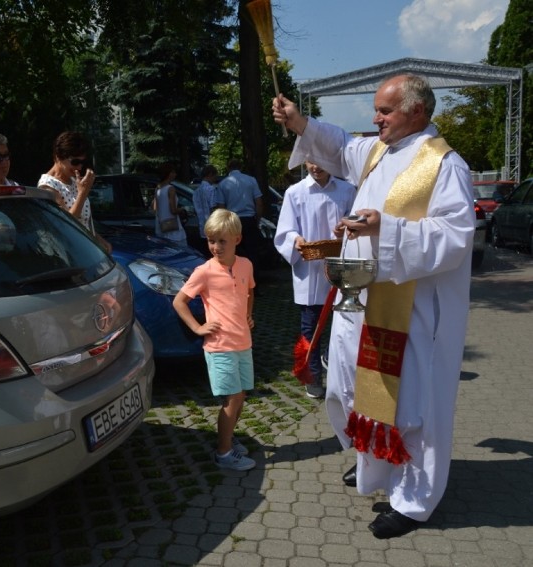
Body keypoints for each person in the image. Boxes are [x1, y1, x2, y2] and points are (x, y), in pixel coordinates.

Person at [272, 74, 475, 539]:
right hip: (363, 301)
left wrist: (388, 227)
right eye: (376, 109)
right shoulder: (380, 150)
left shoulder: (444, 166)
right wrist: (301, 122)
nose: (375, 118)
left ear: (417, 112)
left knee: (412, 405)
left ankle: (414, 500)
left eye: (385, 110)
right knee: (353, 388)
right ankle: (376, 470)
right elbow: (340, 148)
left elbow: (456, 238)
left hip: (414, 312)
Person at [173, 209, 257, 472]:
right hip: (219, 346)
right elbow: (180, 301)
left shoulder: (245, 265)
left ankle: (228, 439)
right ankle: (223, 452)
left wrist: (248, 315)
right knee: (231, 399)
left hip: (243, 342)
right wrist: (198, 327)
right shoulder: (204, 271)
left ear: (237, 239)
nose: (216, 247)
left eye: (222, 240)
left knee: (240, 397)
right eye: (211, 240)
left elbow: (250, 291)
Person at [274, 161, 356, 399]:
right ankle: (312, 375)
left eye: (321, 161)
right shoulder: (295, 192)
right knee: (311, 327)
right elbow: (284, 231)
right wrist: (295, 239)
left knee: (344, 323)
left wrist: (346, 229)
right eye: (310, 161)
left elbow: (356, 221)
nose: (315, 167)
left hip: (341, 266)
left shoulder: (346, 190)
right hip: (309, 270)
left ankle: (340, 375)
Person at [37, 131, 111, 253]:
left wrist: (98, 239)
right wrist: (82, 193)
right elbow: (66, 223)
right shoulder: (47, 186)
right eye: (75, 162)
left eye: (82, 162)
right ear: (57, 157)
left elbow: (83, 220)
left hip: (86, 249)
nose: (79, 167)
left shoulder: (73, 181)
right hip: (69, 253)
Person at [218, 158, 264, 267]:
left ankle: (236, 279)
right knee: (252, 252)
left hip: (232, 221)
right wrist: (257, 220)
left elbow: (221, 207)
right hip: (249, 219)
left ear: (228, 168)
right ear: (241, 167)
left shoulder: (223, 184)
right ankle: (253, 279)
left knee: (234, 252)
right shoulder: (251, 180)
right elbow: (259, 203)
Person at [152, 162, 188, 248]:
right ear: (169, 174)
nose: (175, 174)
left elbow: (154, 208)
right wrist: (182, 209)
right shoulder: (170, 188)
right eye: (173, 172)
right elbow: (173, 210)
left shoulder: (158, 189)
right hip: (173, 227)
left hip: (162, 227)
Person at [192, 164, 224, 242]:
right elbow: (213, 208)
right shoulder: (211, 189)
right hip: (212, 226)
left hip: (202, 226)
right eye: (215, 176)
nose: (215, 178)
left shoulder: (196, 191)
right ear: (210, 174)